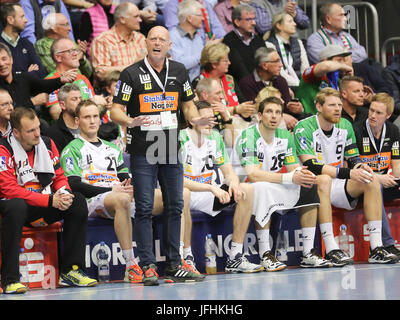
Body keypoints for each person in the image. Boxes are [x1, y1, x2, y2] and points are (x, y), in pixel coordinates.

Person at [110, 26, 213, 285]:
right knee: (144, 207)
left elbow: (187, 104)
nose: (157, 43)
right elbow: (115, 111)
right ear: (146, 43)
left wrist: (195, 119)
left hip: (169, 144)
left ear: (169, 45)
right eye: (153, 39)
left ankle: (174, 264)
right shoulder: (131, 73)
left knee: (175, 206)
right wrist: (130, 121)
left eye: (162, 40)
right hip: (144, 147)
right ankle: (147, 265)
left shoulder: (178, 70)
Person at [60, 99, 164, 283]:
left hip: (118, 194)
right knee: (121, 199)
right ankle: (131, 265)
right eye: (86, 117)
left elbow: (125, 178)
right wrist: (111, 188)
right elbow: (73, 185)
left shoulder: (113, 149)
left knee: (168, 198)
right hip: (93, 199)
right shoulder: (72, 149)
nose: (92, 121)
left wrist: (133, 187)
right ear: (77, 121)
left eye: (95, 116)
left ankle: (178, 259)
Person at [293, 88, 399, 264]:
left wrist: (360, 166)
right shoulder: (304, 127)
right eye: (332, 105)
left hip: (338, 183)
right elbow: (311, 165)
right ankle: (331, 248)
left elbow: (353, 157)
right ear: (319, 106)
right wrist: (350, 172)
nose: (337, 109)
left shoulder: (345, 125)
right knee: (324, 179)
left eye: (340, 105)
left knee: (369, 178)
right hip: (310, 185)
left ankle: (376, 247)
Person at [0, 107, 97, 294]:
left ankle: (71, 271)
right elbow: (8, 190)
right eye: (31, 131)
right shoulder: (4, 148)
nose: (37, 133)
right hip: (11, 206)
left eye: (38, 128)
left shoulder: (46, 143)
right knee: (16, 205)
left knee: (77, 201)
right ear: (17, 132)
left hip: (40, 206)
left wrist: (64, 194)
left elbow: (59, 176)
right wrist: (49, 201)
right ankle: (9, 279)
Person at [235, 96, 333, 268]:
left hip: (274, 183)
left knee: (309, 184)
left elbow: (293, 167)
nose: (274, 116)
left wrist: (303, 175)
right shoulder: (248, 136)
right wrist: (290, 177)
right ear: (259, 115)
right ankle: (265, 254)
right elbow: (253, 174)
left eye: (278, 112)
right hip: (244, 188)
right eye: (269, 112)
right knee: (262, 187)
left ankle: (308, 252)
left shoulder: (285, 136)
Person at [180, 99, 264, 273]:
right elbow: (176, 180)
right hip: (185, 193)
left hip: (208, 194)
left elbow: (228, 172)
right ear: (191, 121)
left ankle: (235, 256)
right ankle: (186, 257)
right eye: (205, 119)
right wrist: (212, 188)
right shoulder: (180, 137)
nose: (211, 123)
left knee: (246, 189)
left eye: (213, 118)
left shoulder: (215, 137)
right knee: (183, 193)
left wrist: (233, 183)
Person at [353, 93, 400, 258]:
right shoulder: (357, 130)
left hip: (385, 179)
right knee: (376, 185)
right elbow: (355, 166)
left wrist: (397, 179)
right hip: (362, 182)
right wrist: (380, 178)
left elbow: (397, 164)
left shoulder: (393, 130)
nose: (373, 115)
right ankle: (388, 244)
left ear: (387, 116)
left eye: (379, 113)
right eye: (371, 110)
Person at [239, 47, 304, 130]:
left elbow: (287, 107)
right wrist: (282, 116)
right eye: (276, 61)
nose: (281, 65)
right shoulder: (247, 83)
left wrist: (298, 109)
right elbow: (254, 110)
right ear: (265, 65)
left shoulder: (281, 81)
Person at [0, 42, 76, 111]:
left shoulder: (22, 77)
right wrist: (33, 102)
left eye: (4, 59)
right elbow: (7, 111)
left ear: (11, 60)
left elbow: (42, 85)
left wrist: (61, 80)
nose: (1, 64)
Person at [90, 2, 147, 83]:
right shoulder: (103, 40)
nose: (140, 20)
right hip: (114, 89)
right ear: (122, 19)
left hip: (140, 86)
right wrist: (132, 67)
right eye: (136, 17)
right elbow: (100, 73)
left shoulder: (140, 38)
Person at [198, 42, 255, 119]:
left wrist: (246, 110)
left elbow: (242, 103)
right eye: (225, 61)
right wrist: (236, 110)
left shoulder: (230, 79)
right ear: (214, 64)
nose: (229, 63)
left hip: (238, 122)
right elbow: (205, 111)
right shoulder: (199, 82)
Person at [45, 37, 95, 121]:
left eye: (75, 50)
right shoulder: (50, 81)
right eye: (69, 51)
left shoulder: (82, 78)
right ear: (58, 57)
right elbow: (56, 113)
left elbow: (94, 105)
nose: (76, 54)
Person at [295, 44, 353, 115]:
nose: (343, 64)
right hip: (309, 119)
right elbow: (325, 66)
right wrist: (344, 66)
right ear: (325, 60)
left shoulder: (337, 81)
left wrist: (350, 79)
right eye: (339, 60)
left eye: (344, 60)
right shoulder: (312, 75)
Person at [34, 13, 92, 78]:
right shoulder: (42, 45)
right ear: (54, 28)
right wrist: (76, 58)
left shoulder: (69, 42)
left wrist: (82, 59)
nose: (70, 28)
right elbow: (55, 70)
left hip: (81, 83)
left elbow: (89, 74)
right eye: (66, 25)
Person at [0, 3, 46, 78]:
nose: (26, 20)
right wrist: (27, 75)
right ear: (10, 20)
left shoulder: (26, 43)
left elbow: (41, 72)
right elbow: (5, 77)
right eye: (22, 17)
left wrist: (20, 76)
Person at [265, 12, 309, 88]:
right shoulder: (270, 44)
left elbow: (305, 68)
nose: (294, 24)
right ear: (279, 26)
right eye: (290, 21)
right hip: (281, 86)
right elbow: (279, 72)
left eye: (294, 21)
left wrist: (306, 84)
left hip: (300, 85)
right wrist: (298, 84)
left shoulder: (298, 42)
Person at [222, 4, 265, 82]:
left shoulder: (258, 40)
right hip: (241, 85)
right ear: (237, 22)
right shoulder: (228, 41)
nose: (254, 23)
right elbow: (239, 70)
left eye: (254, 19)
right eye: (249, 19)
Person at [169, 0, 207, 82]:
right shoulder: (172, 36)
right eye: (200, 15)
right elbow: (180, 65)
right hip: (180, 85)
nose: (203, 18)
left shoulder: (198, 36)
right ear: (189, 18)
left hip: (198, 83)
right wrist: (204, 52)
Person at [43, 83, 81, 153]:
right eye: (74, 99)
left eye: (80, 98)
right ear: (63, 105)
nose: (80, 102)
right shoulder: (52, 134)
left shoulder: (88, 125)